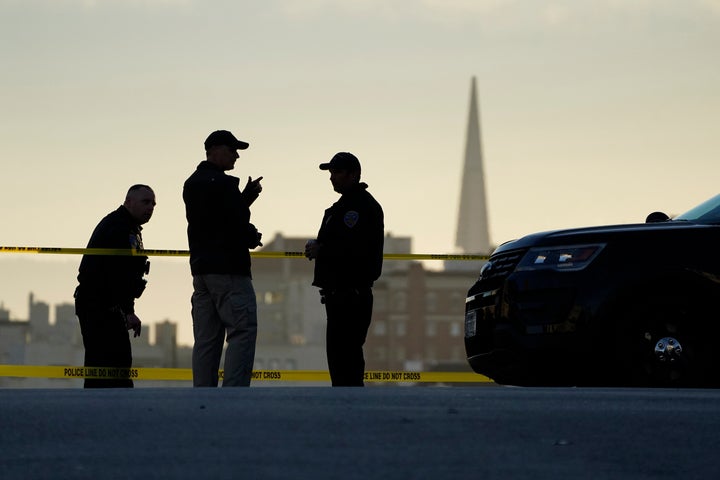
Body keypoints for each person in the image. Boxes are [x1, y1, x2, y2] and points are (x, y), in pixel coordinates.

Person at [183, 130, 264, 387]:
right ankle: (234, 396)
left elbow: (215, 220)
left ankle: (203, 395)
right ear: (215, 149)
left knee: (207, 339)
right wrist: (252, 236)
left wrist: (244, 199)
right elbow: (234, 225)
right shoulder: (223, 184)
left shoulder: (192, 183)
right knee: (242, 331)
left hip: (202, 272)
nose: (236, 156)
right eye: (232, 150)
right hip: (229, 271)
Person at [305, 152, 384, 386]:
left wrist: (322, 250)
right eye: (331, 173)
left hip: (350, 295)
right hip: (340, 295)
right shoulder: (344, 207)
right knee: (341, 360)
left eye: (337, 173)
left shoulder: (358, 208)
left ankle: (350, 408)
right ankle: (347, 406)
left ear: (354, 175)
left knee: (346, 360)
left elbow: (354, 249)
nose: (332, 178)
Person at [74, 184, 156, 388]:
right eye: (146, 202)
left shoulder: (128, 227)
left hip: (106, 305)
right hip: (99, 306)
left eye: (153, 204)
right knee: (107, 367)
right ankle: (108, 411)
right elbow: (117, 274)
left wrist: (127, 309)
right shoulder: (118, 227)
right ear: (128, 202)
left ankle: (110, 410)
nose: (151, 208)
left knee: (113, 366)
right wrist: (128, 311)